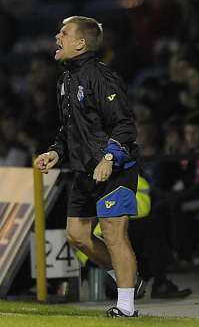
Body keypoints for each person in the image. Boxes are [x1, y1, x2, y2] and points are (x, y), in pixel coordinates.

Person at [34, 16, 140, 318]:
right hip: (84, 169)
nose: (57, 36)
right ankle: (127, 278)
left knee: (113, 234)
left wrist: (109, 158)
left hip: (114, 168)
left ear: (81, 43)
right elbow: (70, 130)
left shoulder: (101, 77)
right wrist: (56, 152)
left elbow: (125, 125)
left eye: (64, 33)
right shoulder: (65, 80)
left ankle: (127, 306)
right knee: (77, 235)